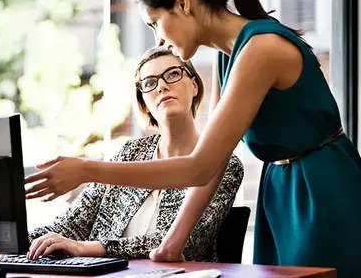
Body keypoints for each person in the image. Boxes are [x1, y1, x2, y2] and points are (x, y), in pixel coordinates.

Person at [25, 0, 361, 276]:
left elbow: (200, 166)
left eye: (155, 23)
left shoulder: (262, 49)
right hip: (282, 193)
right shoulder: (232, 54)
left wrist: (86, 169)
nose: (158, 41)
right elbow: (214, 157)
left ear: (182, 3)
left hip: (323, 194)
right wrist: (173, 243)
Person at [26, 46, 243, 261]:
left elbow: (183, 244)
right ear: (144, 103)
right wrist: (4, 244)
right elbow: (70, 225)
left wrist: (87, 248)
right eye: (150, 83)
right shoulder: (129, 154)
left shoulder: (225, 164)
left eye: (173, 74)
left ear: (194, 85)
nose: (162, 86)